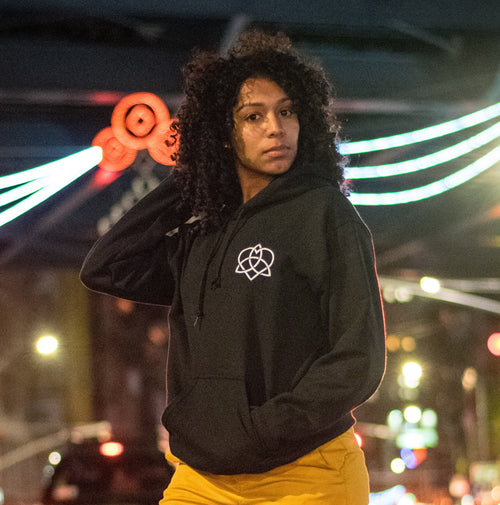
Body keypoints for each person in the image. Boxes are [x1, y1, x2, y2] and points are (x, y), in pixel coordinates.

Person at [80, 30, 386, 505]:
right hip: (202, 479)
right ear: (224, 134)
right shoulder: (203, 234)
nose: (275, 128)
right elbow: (105, 266)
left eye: (287, 112)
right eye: (253, 116)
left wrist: (266, 428)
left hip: (306, 474)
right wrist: (194, 175)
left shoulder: (324, 214)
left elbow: (358, 359)